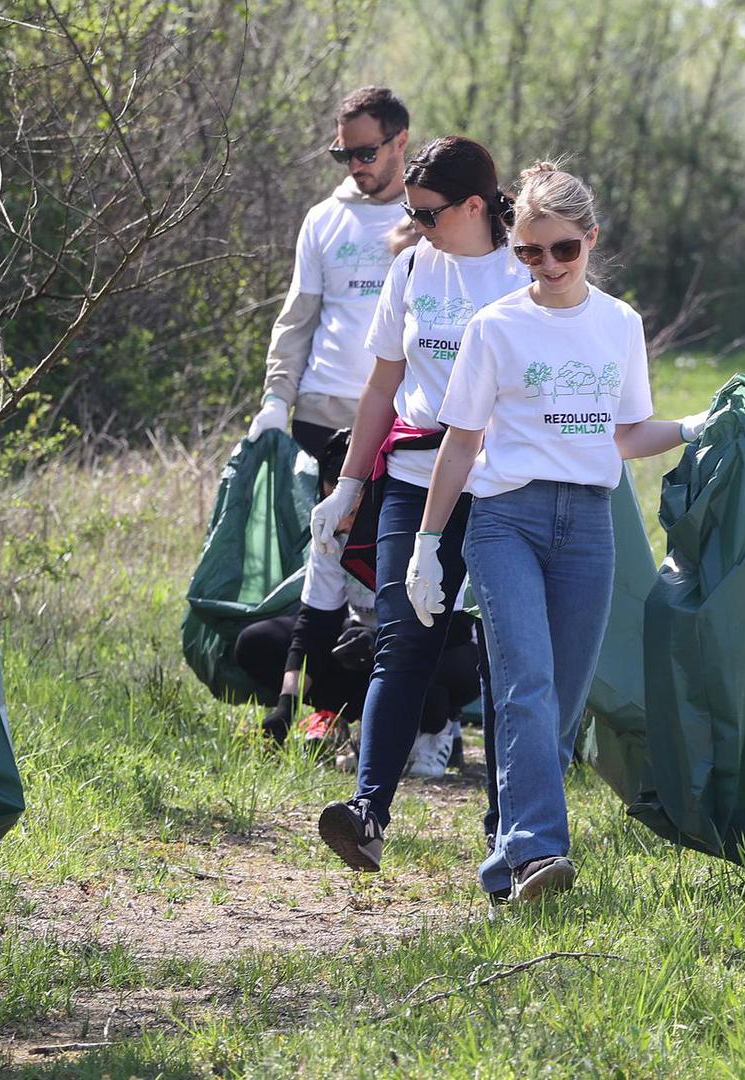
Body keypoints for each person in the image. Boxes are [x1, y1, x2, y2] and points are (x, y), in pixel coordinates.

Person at [404, 161, 708, 905]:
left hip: (590, 526)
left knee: (559, 707)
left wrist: (699, 427)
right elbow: (460, 441)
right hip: (506, 520)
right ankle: (541, 854)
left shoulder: (620, 324)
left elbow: (629, 433)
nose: (547, 266)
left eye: (563, 250)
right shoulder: (496, 326)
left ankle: (505, 860)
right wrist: (425, 544)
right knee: (527, 688)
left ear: (590, 240)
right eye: (530, 253)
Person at [311, 136, 531, 872]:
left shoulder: (521, 272)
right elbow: (381, 386)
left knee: (506, 658)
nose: (417, 224)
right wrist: (349, 484)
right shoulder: (410, 266)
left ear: (476, 206)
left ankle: (509, 832)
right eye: (410, 210)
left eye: (429, 213)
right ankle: (369, 812)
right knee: (401, 642)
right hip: (411, 476)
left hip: (502, 484)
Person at [234, 433, 479, 771]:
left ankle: (438, 726)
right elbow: (314, 627)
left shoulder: (420, 526)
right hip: (363, 645)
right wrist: (286, 706)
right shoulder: (334, 534)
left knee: (440, 667)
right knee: (258, 643)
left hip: (435, 644)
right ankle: (351, 718)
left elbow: (457, 626)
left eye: (351, 510)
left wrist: (379, 642)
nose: (344, 522)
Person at [247, 87, 415, 461]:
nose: (355, 166)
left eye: (366, 153)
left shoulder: (432, 218)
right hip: (321, 410)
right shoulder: (323, 218)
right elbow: (297, 319)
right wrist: (276, 397)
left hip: (404, 414)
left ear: (400, 141)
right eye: (344, 154)